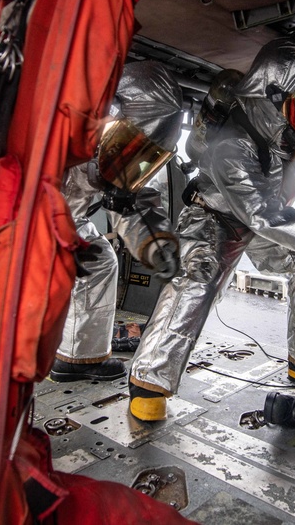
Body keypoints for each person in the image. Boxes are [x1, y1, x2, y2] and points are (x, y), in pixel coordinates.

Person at [127, 37, 295, 421]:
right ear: (270, 98)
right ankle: (148, 381)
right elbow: (260, 215)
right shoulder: (231, 146)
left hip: (262, 224)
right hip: (214, 219)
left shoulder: (285, 130)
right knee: (197, 279)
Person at [50, 61, 184, 382]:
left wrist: (155, 246)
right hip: (23, 216)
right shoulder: (59, 125)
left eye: (142, 152)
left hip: (68, 221)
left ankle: (78, 359)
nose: (131, 158)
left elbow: (134, 202)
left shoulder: (119, 151)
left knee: (99, 260)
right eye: (129, 145)